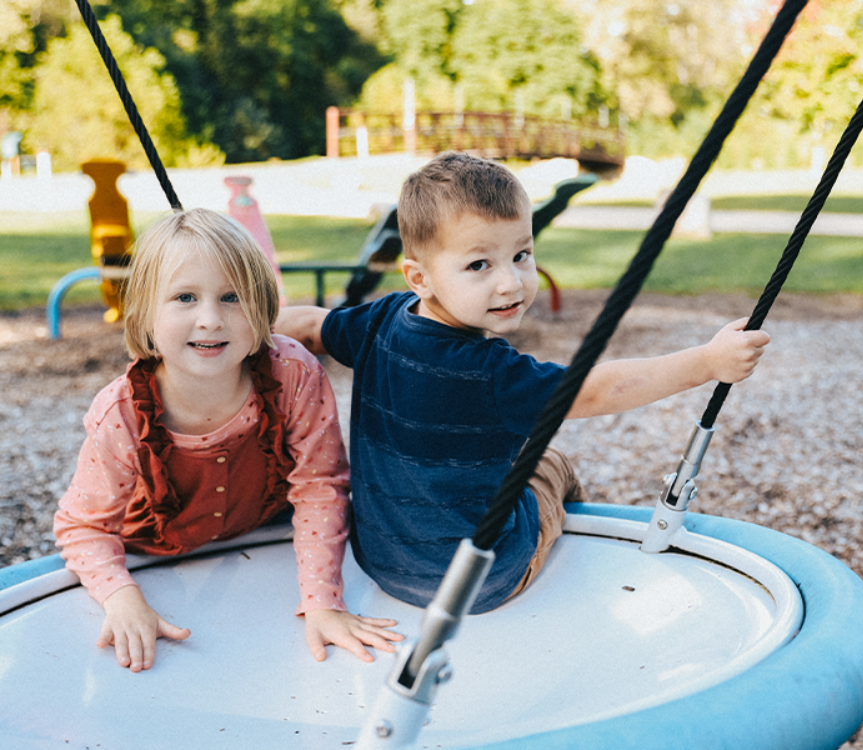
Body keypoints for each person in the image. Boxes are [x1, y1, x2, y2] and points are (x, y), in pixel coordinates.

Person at [275, 152, 771, 614]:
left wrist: (241, 331)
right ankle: (566, 556)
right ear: (419, 277)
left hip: (381, 562)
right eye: (478, 265)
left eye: (522, 255)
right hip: (479, 583)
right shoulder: (489, 372)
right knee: (550, 462)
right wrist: (706, 362)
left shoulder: (380, 318)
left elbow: (308, 327)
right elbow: (596, 390)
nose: (511, 282)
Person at [54, 208, 403, 672]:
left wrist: (323, 603)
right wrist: (121, 598)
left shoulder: (292, 374)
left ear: (262, 308)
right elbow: (83, 527)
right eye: (184, 297)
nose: (209, 320)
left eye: (231, 297)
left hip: (266, 536)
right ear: (144, 315)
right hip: (155, 556)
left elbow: (320, 485)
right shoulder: (122, 411)